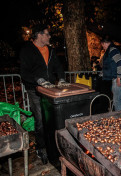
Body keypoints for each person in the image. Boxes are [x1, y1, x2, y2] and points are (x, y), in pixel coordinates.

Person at [19, 24, 70, 164]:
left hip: (50, 89)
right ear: (39, 35)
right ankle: (41, 148)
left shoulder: (51, 50)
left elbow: (58, 67)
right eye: (47, 34)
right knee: (40, 120)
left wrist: (62, 79)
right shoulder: (27, 50)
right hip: (35, 90)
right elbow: (24, 72)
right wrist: (38, 80)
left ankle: (54, 146)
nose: (49, 36)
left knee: (52, 118)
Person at [100, 36, 121, 111]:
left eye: (102, 45)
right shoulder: (111, 50)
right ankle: (119, 117)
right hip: (116, 78)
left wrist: (118, 77)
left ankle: (120, 118)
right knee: (116, 100)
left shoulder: (112, 50)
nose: (102, 47)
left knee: (117, 101)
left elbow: (120, 62)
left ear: (105, 43)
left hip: (118, 79)